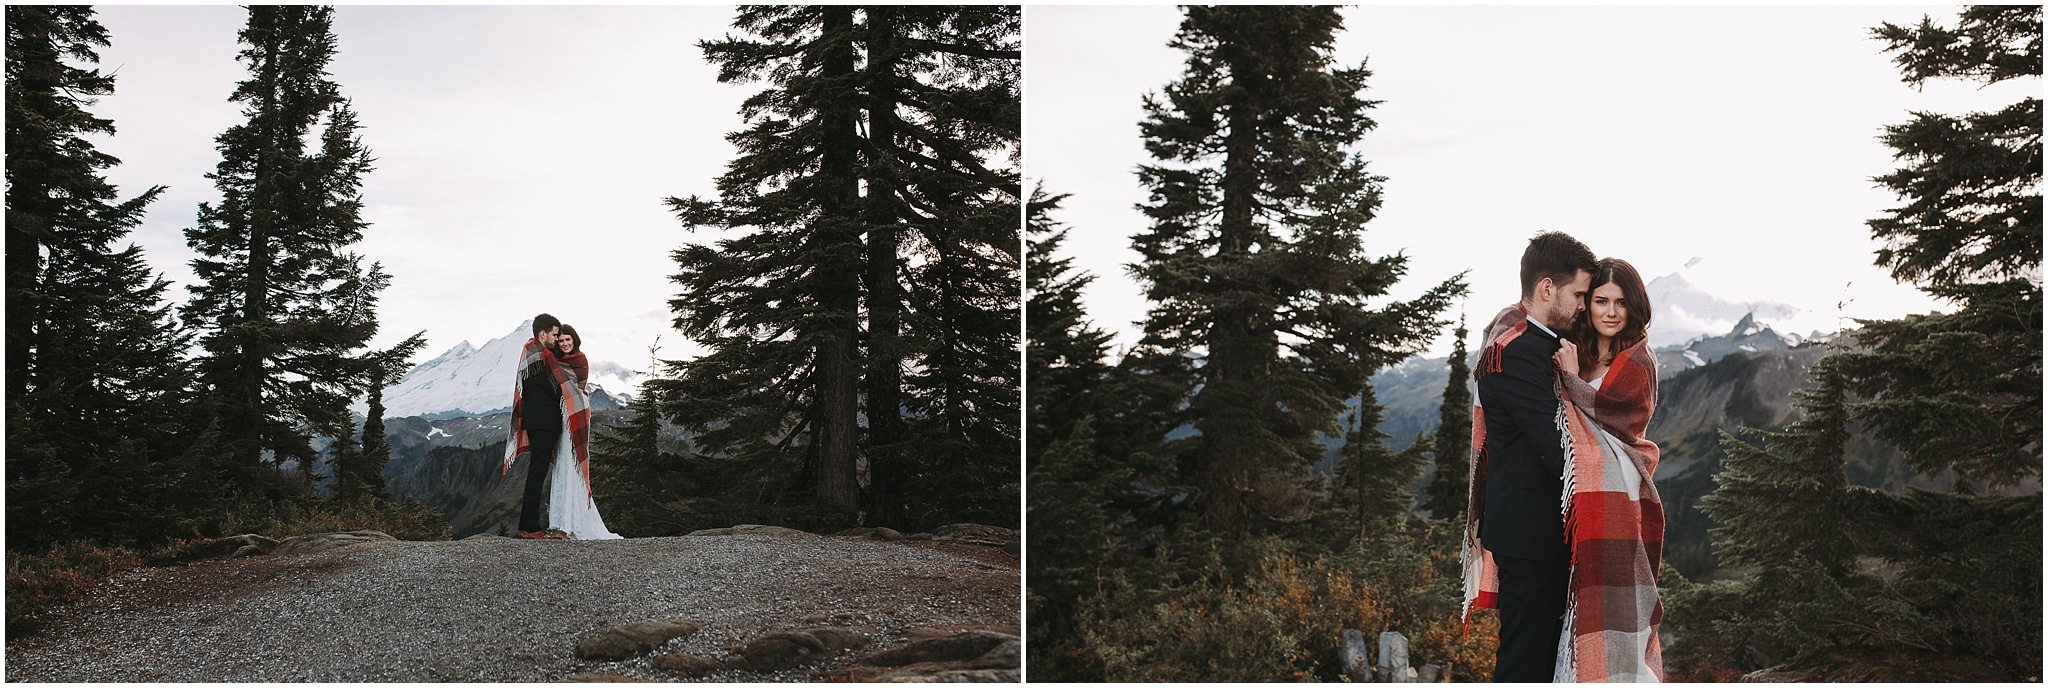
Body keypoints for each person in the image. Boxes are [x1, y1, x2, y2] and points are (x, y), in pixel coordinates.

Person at [1461, 231, 1596, 682]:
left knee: (1540, 660)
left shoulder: (1534, 346)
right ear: (1546, 288)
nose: (1583, 305)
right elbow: (1559, 448)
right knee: (1525, 663)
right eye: (1578, 293)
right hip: (1531, 538)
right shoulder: (1517, 354)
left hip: (1539, 535)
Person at [1550, 258, 1665, 681]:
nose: (1612, 312)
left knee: (1612, 597)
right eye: (1602, 301)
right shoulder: (1570, 348)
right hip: (1572, 490)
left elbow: (1621, 421)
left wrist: (1570, 380)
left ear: (1635, 308)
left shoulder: (1639, 360)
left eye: (1621, 302)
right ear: (1588, 304)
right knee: (1567, 595)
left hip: (1617, 485)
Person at [544, 324, 621, 540]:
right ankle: (563, 522)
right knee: (563, 465)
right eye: (561, 341)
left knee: (572, 465)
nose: (565, 344)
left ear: (575, 340)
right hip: (561, 414)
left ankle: (568, 526)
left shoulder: (579, 360)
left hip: (576, 414)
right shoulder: (555, 362)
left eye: (568, 339)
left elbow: (569, 385)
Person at [504, 314, 565, 540]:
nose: (557, 339)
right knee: (537, 474)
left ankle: (526, 526)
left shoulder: (534, 353)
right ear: (543, 334)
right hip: (544, 421)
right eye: (555, 334)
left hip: (538, 421)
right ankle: (530, 527)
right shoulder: (539, 355)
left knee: (536, 473)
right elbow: (552, 388)